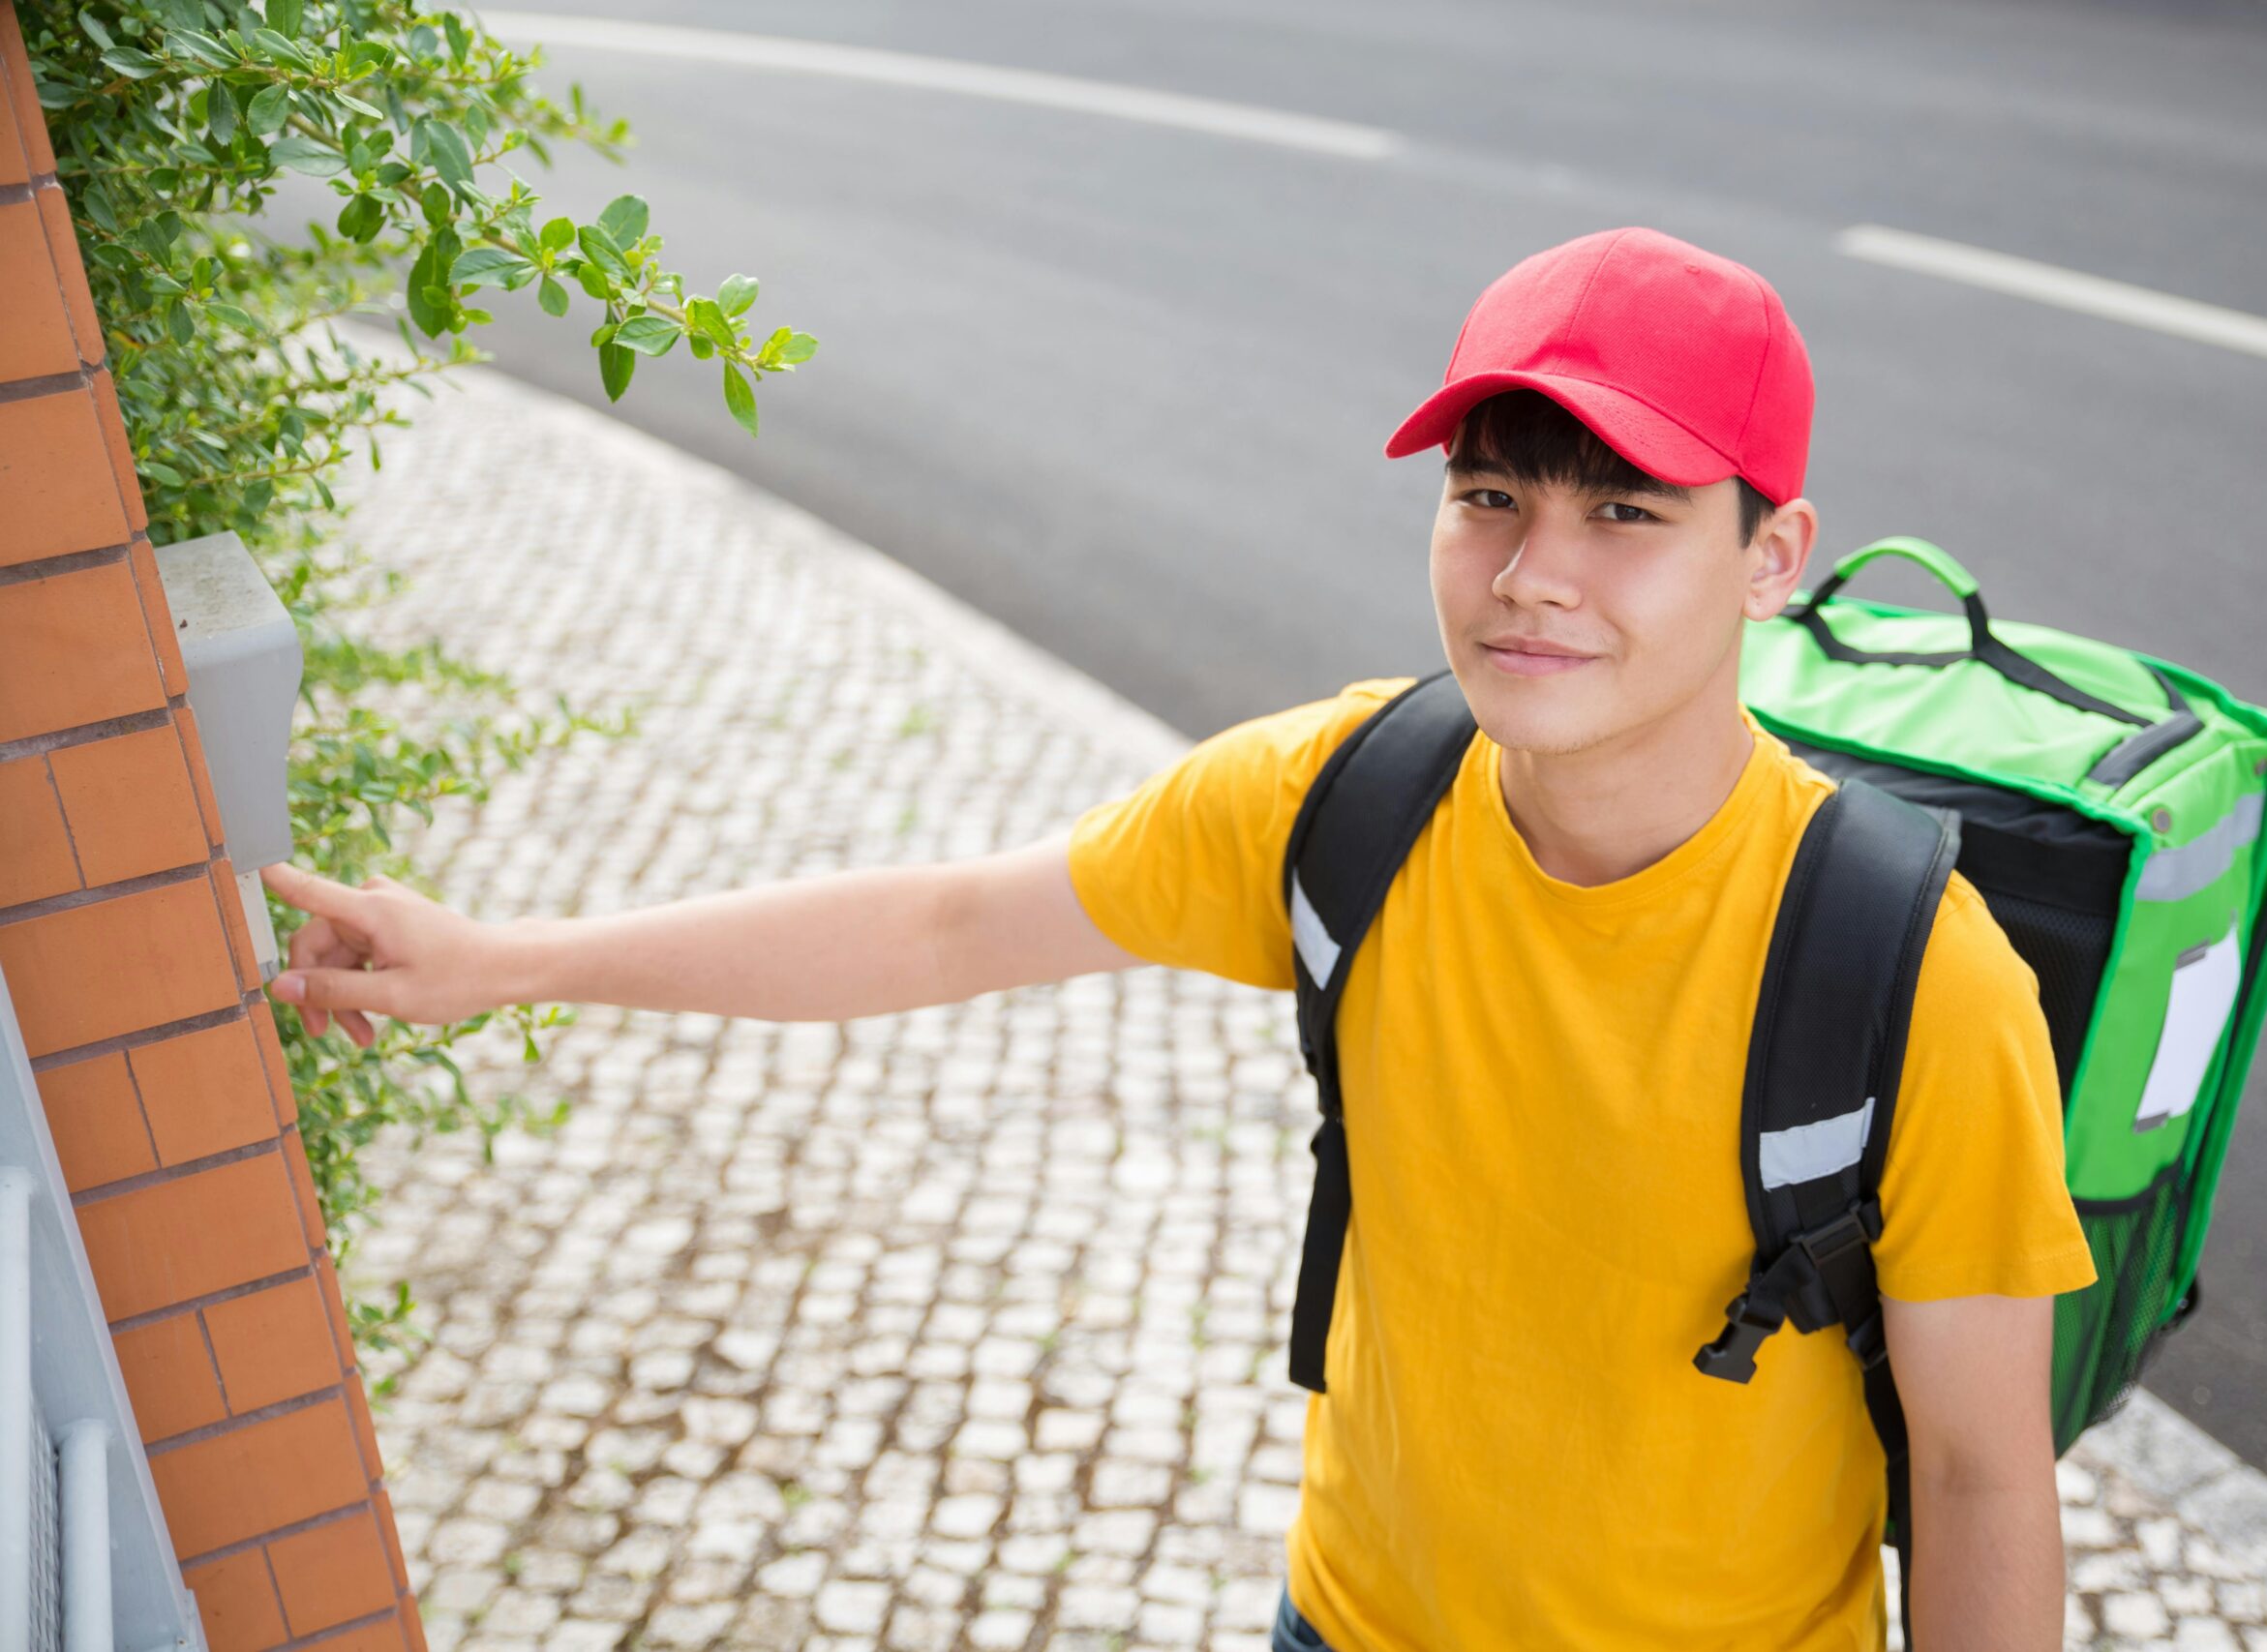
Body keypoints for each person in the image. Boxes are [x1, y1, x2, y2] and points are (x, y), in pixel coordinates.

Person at [261, 225, 2096, 1651]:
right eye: (1490, 498)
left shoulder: (1906, 968)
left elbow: (1981, 1469)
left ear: (1774, 556)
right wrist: (504, 958)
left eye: (1627, 513)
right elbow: (942, 922)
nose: (1537, 572)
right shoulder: (1346, 801)